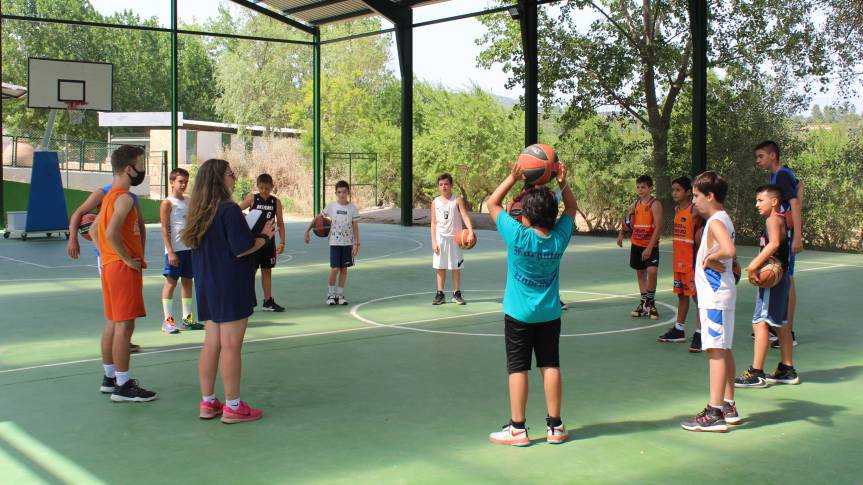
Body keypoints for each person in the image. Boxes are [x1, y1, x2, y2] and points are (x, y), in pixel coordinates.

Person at [486, 162, 576, 446]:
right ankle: (555, 426)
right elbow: (571, 210)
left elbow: (492, 203)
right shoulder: (558, 238)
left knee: (518, 368)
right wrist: (563, 182)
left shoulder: (518, 236)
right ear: (552, 216)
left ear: (526, 216)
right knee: (550, 364)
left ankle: (518, 429)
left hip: (518, 314)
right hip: (549, 313)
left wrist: (513, 177)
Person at [182, 158, 274, 423]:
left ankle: (208, 402)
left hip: (208, 285)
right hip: (231, 283)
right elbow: (242, 247)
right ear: (220, 179)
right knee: (232, 345)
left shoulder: (199, 211)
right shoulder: (228, 210)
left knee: (212, 343)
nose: (234, 178)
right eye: (231, 174)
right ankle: (233, 406)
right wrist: (264, 236)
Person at [93, 145, 157, 402]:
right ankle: (123, 385)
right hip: (121, 268)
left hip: (110, 267)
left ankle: (109, 377)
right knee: (124, 326)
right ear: (129, 169)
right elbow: (109, 233)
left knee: (113, 322)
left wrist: (107, 255)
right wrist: (126, 259)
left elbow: (95, 230)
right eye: (141, 164)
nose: (143, 169)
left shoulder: (109, 196)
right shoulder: (125, 198)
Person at [681, 171, 739, 432]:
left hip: (715, 297)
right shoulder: (724, 219)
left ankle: (714, 412)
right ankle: (728, 404)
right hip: (720, 295)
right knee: (724, 349)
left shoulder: (716, 221)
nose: (693, 201)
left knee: (715, 352)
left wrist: (706, 261)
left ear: (710, 196)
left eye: (696, 196)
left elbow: (729, 251)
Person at [67, 176, 144, 354]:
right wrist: (73, 239)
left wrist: (141, 252)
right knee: (116, 311)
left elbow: (139, 224)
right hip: (112, 258)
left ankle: (123, 340)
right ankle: (119, 344)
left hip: (127, 257)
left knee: (124, 310)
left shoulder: (131, 197)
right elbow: (79, 214)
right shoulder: (103, 192)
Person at [734, 185, 800, 388]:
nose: (756, 204)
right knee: (781, 324)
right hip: (783, 277)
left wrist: (754, 266)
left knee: (760, 322)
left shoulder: (772, 219)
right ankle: (787, 369)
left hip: (774, 277)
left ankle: (756, 373)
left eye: (760, 200)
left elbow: (773, 245)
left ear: (774, 201)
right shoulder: (781, 218)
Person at [755, 141, 802, 347]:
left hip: (787, 234)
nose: (758, 161)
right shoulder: (779, 175)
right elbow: (800, 187)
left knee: (787, 279)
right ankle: (778, 327)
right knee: (786, 278)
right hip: (783, 231)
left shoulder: (781, 174)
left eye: (761, 156)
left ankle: (787, 331)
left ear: (773, 155)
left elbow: (795, 202)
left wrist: (798, 235)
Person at [657, 177, 703, 351]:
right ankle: (679, 329)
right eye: (673, 190)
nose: (674, 193)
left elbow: (700, 237)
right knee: (682, 296)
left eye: (678, 190)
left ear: (688, 192)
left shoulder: (695, 211)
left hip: (692, 263)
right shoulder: (678, 210)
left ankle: (700, 333)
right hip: (679, 262)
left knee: (698, 299)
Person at [304, 180, 360, 305]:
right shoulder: (331, 206)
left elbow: (355, 227)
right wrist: (307, 230)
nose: (342, 194)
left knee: (344, 269)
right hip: (335, 242)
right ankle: (330, 294)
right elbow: (318, 217)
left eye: (344, 191)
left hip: (347, 243)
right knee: (335, 269)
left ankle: (340, 295)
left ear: (348, 192)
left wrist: (356, 243)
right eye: (339, 192)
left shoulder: (353, 208)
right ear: (336, 193)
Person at [160, 167, 202, 334]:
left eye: (185, 181)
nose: (183, 184)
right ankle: (168, 321)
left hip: (189, 249)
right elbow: (165, 228)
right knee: (171, 282)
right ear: (172, 183)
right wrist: (170, 251)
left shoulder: (189, 200)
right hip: (175, 250)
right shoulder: (167, 203)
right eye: (180, 181)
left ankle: (187, 319)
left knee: (187, 281)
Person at [617, 175, 663, 320]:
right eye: (638, 187)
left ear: (650, 188)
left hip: (650, 245)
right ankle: (644, 304)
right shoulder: (635, 204)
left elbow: (659, 227)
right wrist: (621, 234)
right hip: (636, 244)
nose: (640, 190)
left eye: (643, 187)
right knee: (641, 273)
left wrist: (649, 247)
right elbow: (627, 220)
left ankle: (651, 302)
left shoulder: (655, 204)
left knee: (652, 271)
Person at [239, 174, 286, 312]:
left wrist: (282, 242)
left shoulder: (275, 202)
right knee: (251, 271)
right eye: (261, 188)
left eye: (267, 188)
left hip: (268, 242)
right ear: (257, 186)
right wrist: (246, 217)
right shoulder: (252, 198)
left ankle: (268, 301)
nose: (264, 190)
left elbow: (281, 222)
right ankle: (246, 300)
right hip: (253, 241)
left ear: (272, 187)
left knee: (267, 270)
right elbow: (236, 210)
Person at [430, 173, 474, 305]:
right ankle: (440, 293)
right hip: (440, 238)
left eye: (446, 184)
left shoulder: (457, 200)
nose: (443, 187)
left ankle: (456, 293)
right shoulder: (435, 202)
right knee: (440, 266)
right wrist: (433, 241)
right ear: (438, 186)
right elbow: (433, 223)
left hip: (455, 238)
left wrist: (470, 231)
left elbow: (465, 216)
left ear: (451, 185)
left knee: (456, 267)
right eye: (441, 185)